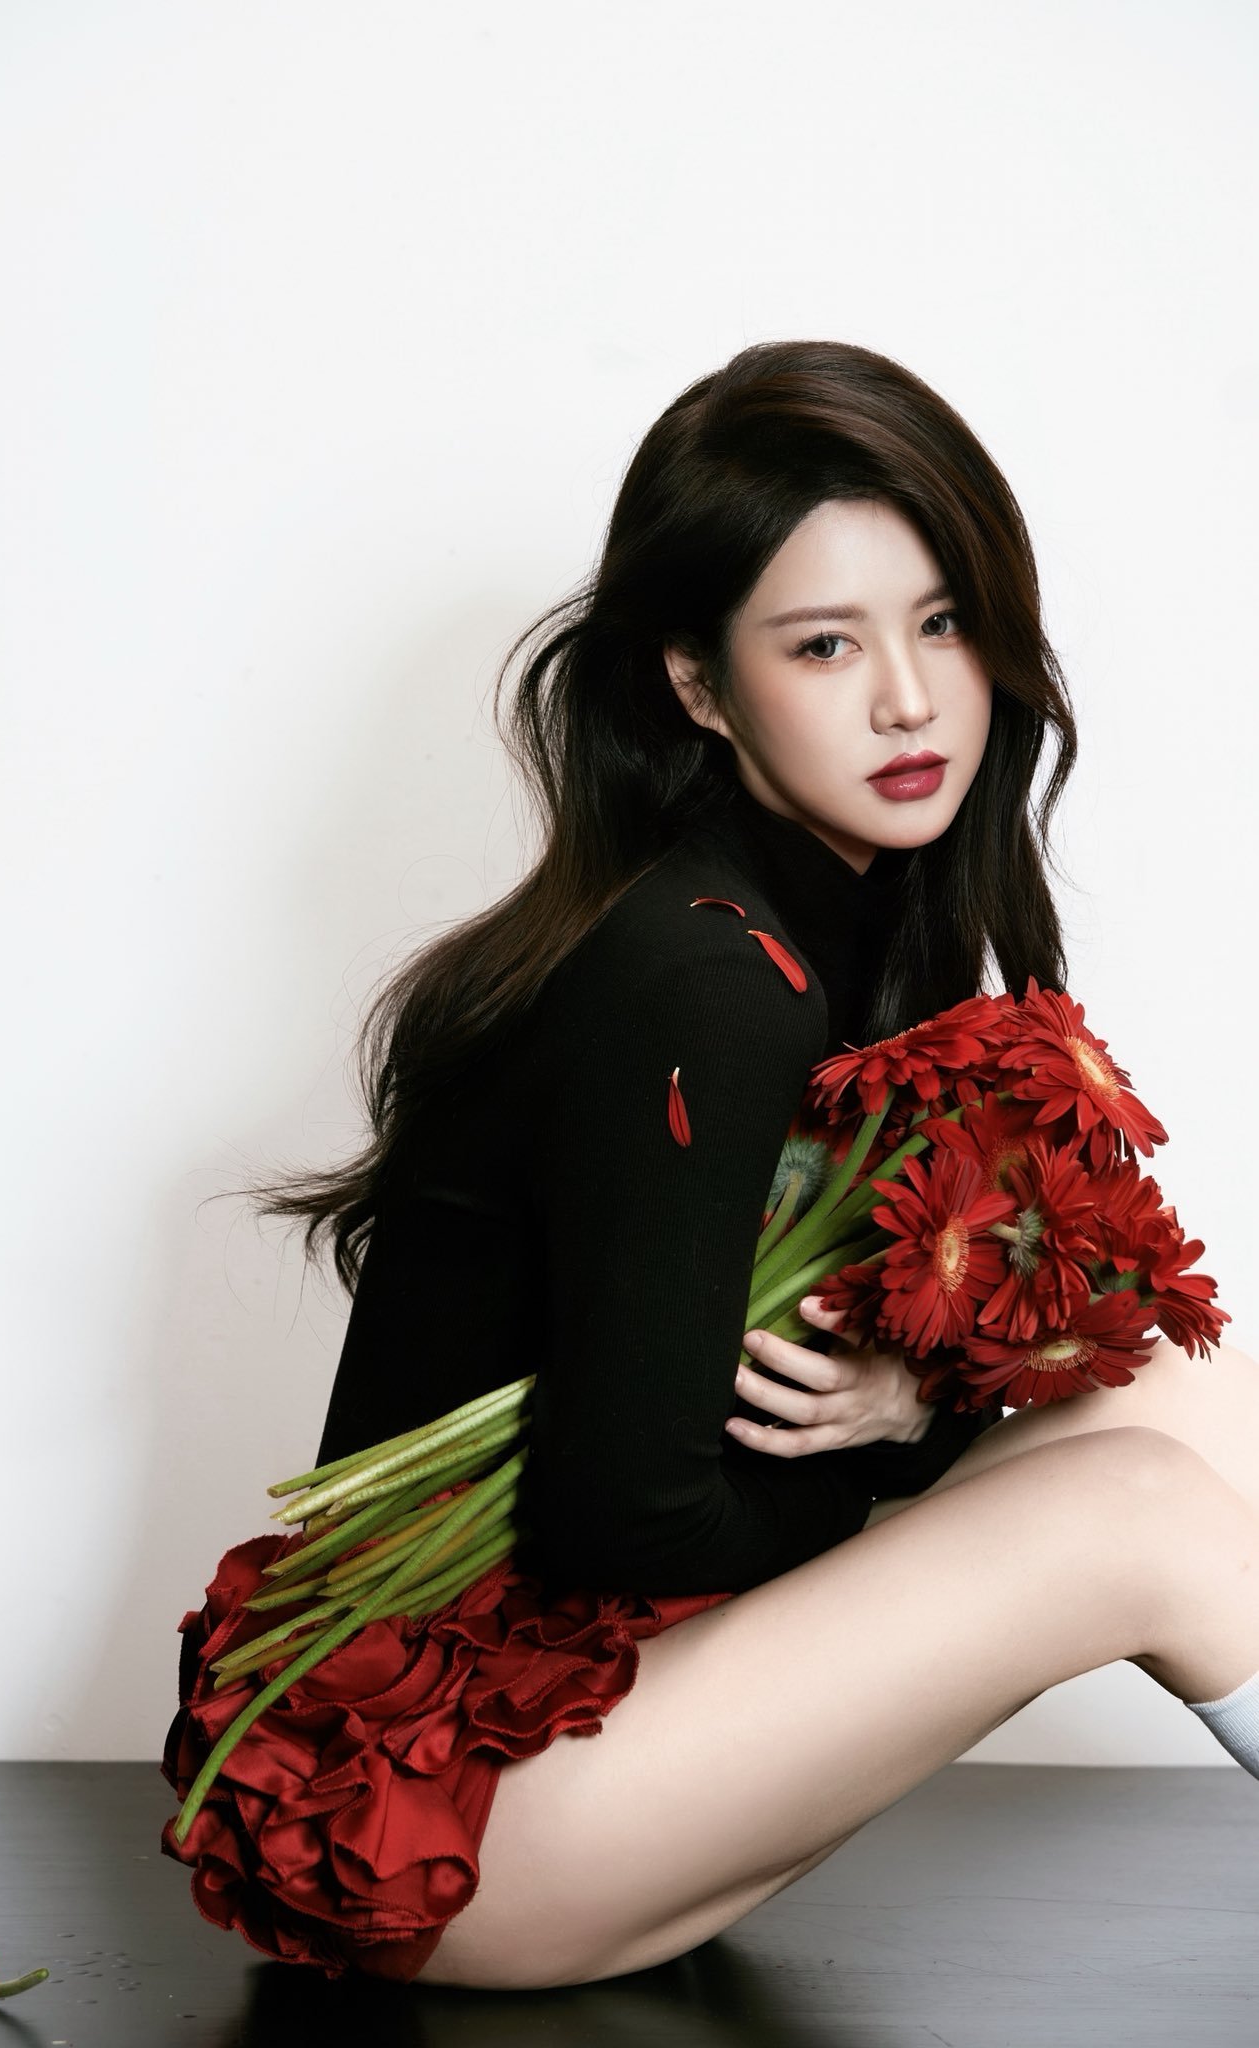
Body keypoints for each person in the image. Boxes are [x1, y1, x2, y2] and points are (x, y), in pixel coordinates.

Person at [161, 339, 1259, 1993]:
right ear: (695, 684)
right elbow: (621, 1511)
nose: (908, 700)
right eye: (823, 644)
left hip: (600, 1741)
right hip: (436, 1812)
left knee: (1179, 1393)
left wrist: (918, 1405)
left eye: (940, 623)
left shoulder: (826, 928)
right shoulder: (699, 970)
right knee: (1134, 1517)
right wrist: (904, 1443)